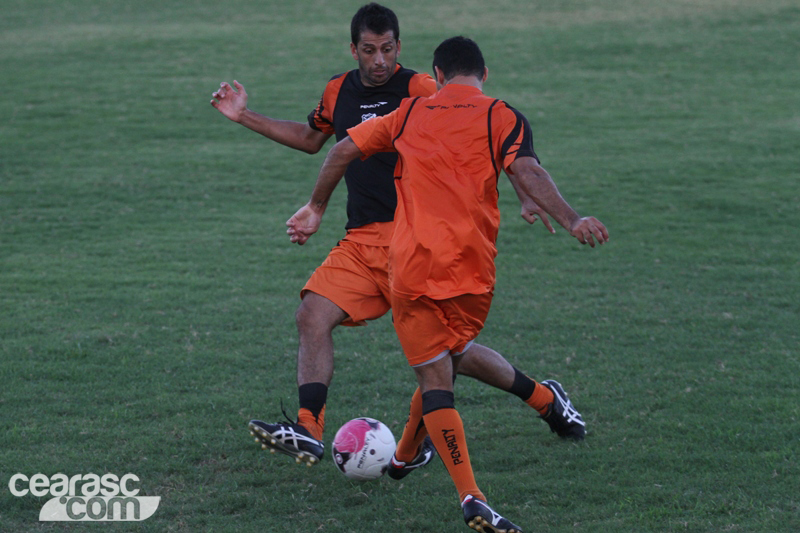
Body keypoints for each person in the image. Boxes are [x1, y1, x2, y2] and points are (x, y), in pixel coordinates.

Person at [211, 3, 585, 472]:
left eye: (388, 49)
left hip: (420, 243)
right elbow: (313, 140)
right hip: (364, 240)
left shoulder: (422, 89)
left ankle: (546, 400)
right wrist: (245, 117)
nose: (380, 60)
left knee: (453, 358)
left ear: (400, 48)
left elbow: (476, 130)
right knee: (311, 314)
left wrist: (524, 193)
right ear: (354, 50)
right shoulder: (337, 90)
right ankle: (309, 429)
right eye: (369, 50)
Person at [289, 36, 608, 532]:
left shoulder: (409, 113)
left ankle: (451, 478)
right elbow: (524, 166)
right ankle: (434, 473)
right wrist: (569, 219)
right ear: (485, 73)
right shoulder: (499, 114)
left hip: (412, 268)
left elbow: (344, 149)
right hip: (472, 273)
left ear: (436, 74)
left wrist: (316, 207)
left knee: (437, 372)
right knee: (440, 363)